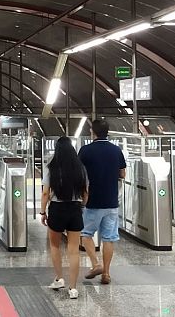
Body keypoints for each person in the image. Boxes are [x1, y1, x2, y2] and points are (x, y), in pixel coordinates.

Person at [79, 119, 126, 285]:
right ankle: (106, 273)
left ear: (93, 132)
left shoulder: (85, 151)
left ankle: (96, 264)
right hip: (111, 201)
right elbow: (123, 174)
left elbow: (79, 174)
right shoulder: (116, 150)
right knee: (109, 238)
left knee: (85, 234)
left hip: (92, 201)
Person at [41, 137, 88, 300]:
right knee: (74, 250)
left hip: (57, 208)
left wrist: (42, 212)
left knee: (54, 245)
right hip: (75, 208)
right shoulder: (80, 168)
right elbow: (85, 192)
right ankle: (73, 288)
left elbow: (46, 193)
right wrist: (82, 205)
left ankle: (59, 278)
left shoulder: (51, 168)